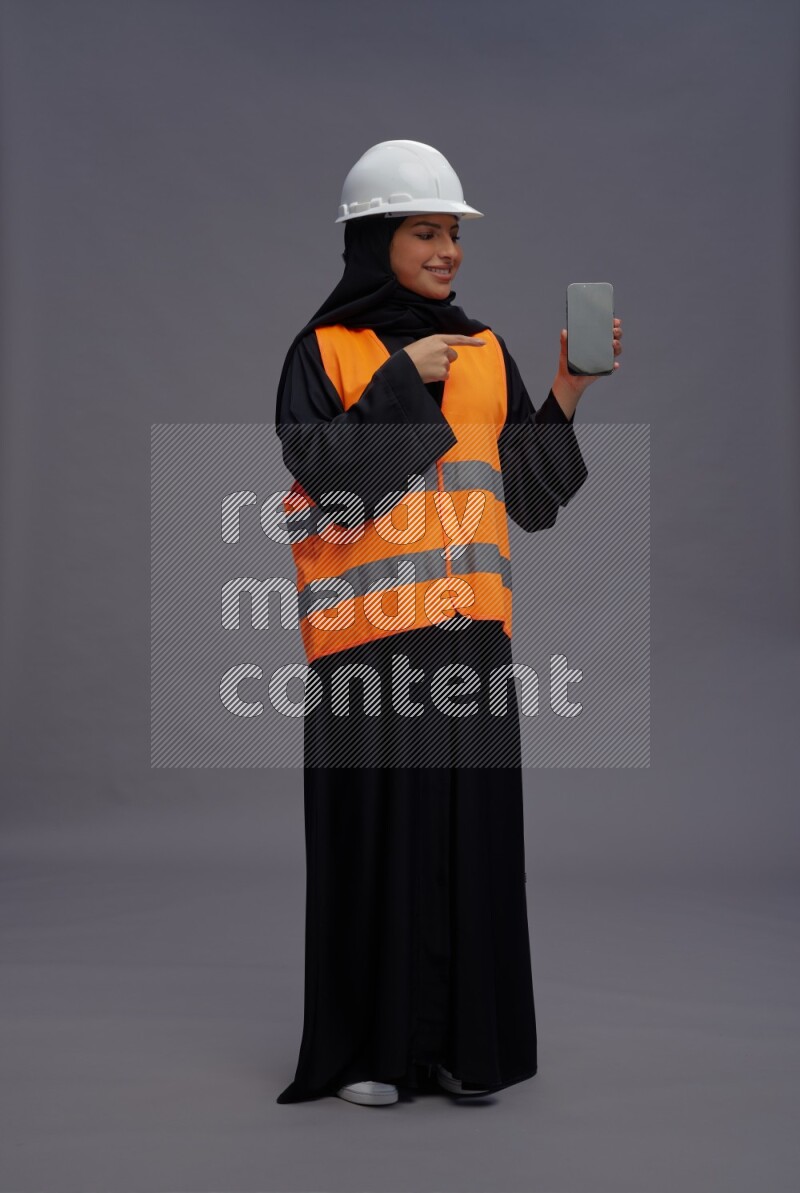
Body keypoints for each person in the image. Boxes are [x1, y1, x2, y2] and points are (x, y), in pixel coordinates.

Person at [273, 140, 622, 1107]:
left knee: (472, 847)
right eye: (425, 231)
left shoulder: (485, 351)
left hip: (470, 642)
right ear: (374, 240)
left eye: (454, 234)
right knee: (376, 847)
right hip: (366, 648)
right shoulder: (322, 352)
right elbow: (325, 481)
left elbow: (532, 499)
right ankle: (372, 1054)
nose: (448, 251)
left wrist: (567, 391)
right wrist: (399, 381)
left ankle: (465, 1049)